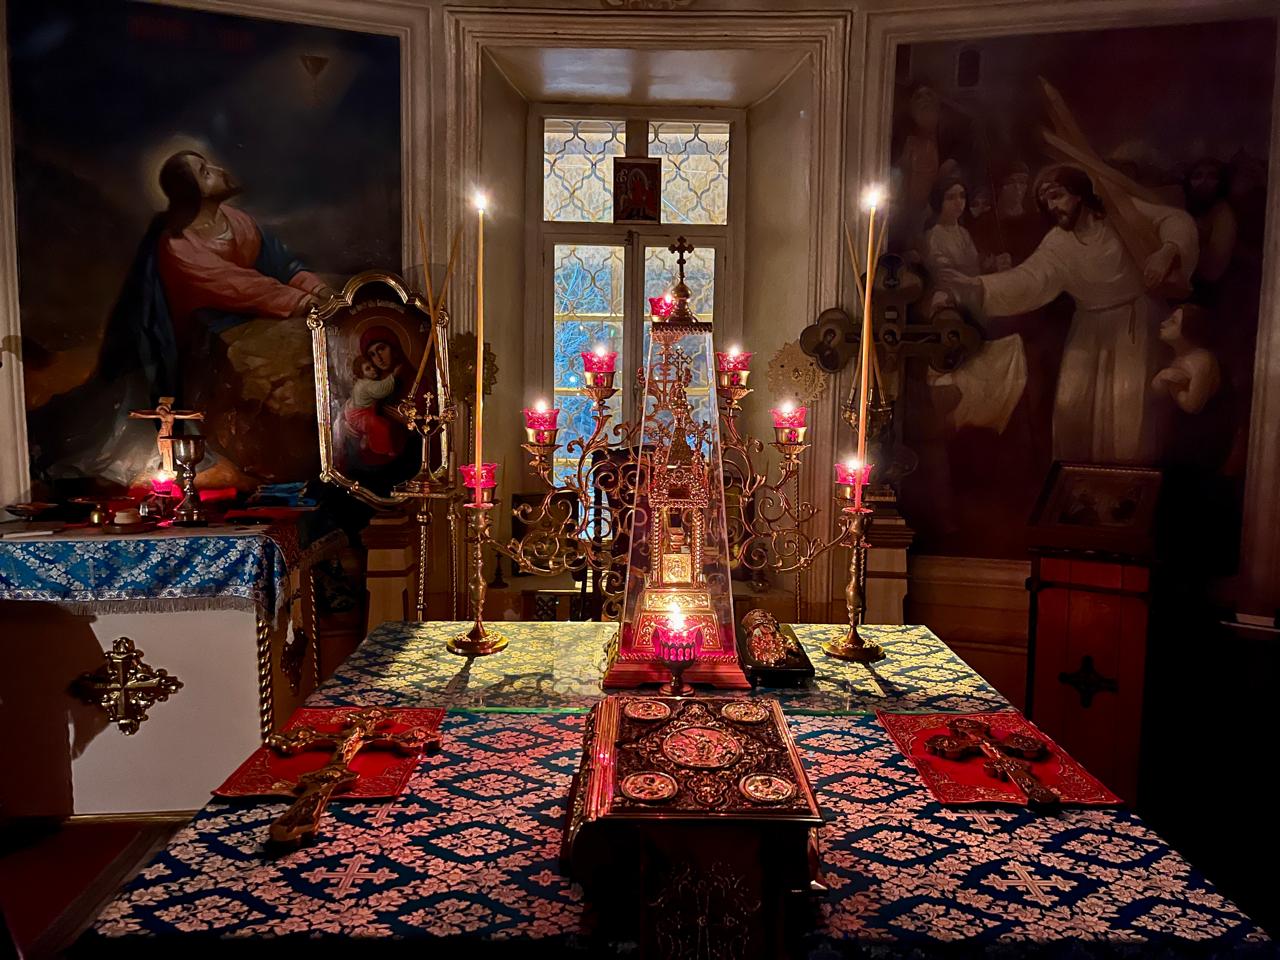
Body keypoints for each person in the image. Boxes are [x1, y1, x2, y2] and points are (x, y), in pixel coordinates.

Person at [946, 164, 1198, 464]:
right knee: (1072, 409)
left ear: (1079, 194)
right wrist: (975, 289)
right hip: (1088, 330)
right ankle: (1077, 487)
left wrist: (1167, 251)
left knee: (1129, 419)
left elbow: (1176, 220)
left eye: (1057, 196)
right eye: (1046, 201)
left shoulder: (1118, 215)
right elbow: (1029, 281)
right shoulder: (1059, 242)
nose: (1052, 206)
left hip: (1135, 327)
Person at [343, 355, 401, 465]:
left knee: (380, 424)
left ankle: (366, 439)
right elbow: (382, 389)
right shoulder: (367, 384)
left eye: (373, 366)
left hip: (355, 412)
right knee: (381, 427)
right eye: (368, 369)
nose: (373, 369)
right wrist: (393, 375)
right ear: (361, 373)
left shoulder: (362, 382)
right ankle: (383, 450)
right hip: (359, 415)